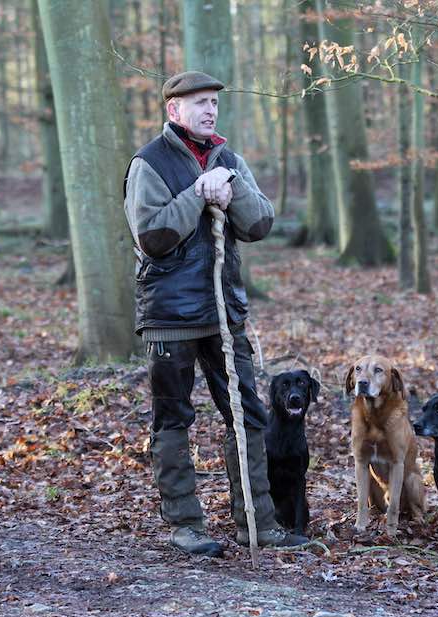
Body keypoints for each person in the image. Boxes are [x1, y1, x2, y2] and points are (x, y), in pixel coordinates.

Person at [123, 71, 308, 556]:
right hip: (170, 315)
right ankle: (186, 525)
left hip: (225, 314)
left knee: (248, 415)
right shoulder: (150, 163)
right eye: (199, 103)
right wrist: (198, 194)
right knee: (173, 418)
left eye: (214, 103)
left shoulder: (229, 161)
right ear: (174, 111)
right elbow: (154, 237)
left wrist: (231, 189)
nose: (209, 110)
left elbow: (260, 222)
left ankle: (257, 522)